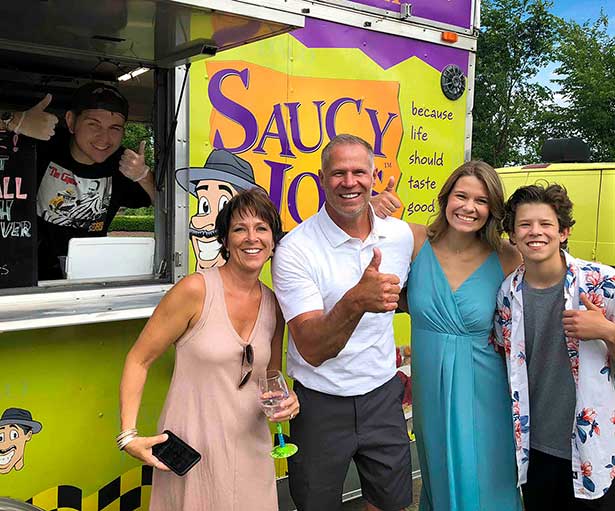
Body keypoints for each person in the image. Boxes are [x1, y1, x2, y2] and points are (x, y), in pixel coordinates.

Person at [118, 188, 299, 510]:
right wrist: (128, 435)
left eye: (261, 228)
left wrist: (287, 401)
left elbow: (270, 377)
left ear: (273, 241)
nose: (251, 238)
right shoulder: (195, 290)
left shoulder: (275, 304)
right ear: (225, 240)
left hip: (251, 448)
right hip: (194, 446)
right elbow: (139, 359)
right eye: (239, 229)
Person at [271, 134, 414, 511]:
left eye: (358, 172)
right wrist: (356, 300)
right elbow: (313, 349)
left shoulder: (399, 235)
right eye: (338, 173)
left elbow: (453, 247)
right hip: (320, 402)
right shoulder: (295, 250)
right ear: (321, 179)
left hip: (382, 395)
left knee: (391, 503)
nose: (349, 182)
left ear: (373, 176)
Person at [375, 161, 523, 510]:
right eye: (462, 196)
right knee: (439, 476)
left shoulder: (506, 256)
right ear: (446, 198)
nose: (469, 207)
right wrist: (372, 213)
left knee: (488, 481)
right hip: (432, 391)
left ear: (492, 209)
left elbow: (549, 286)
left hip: (487, 391)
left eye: (481, 200)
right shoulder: (413, 240)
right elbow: (355, 249)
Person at [494, 184, 615, 510]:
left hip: (597, 449)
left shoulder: (602, 284)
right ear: (512, 235)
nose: (535, 232)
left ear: (563, 232)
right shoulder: (507, 294)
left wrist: (606, 330)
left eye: (546, 224)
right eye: (524, 224)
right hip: (535, 450)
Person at [1, 83, 154, 279]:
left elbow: (173, 207)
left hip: (88, 278)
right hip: (24, 272)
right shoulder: (43, 142)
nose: (104, 138)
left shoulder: (124, 165)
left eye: (114, 128)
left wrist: (144, 175)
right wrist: (13, 121)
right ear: (71, 121)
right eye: (93, 124)